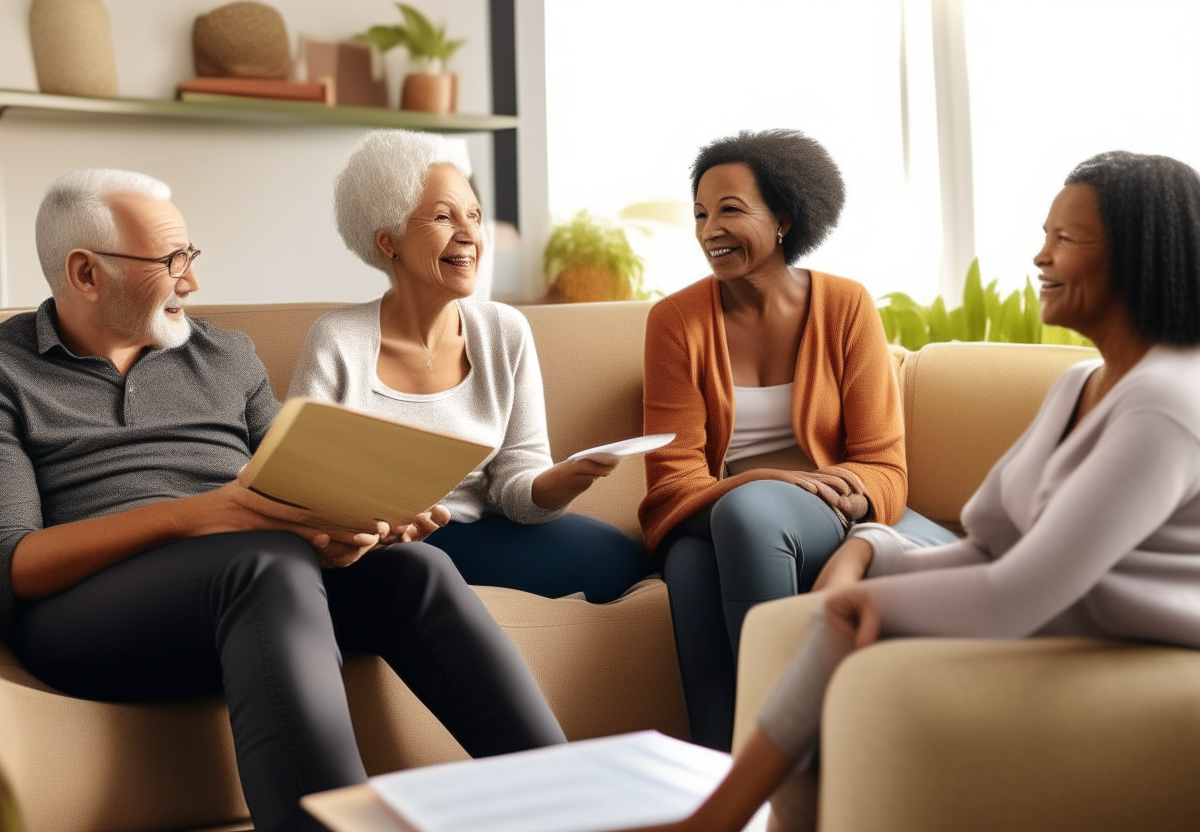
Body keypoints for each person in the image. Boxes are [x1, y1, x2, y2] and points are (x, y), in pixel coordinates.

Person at [632, 149, 1200, 832]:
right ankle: (729, 812)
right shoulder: (1079, 385)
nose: (1039, 258)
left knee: (811, 585)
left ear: (1138, 256)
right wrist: (873, 548)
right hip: (1003, 585)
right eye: (1044, 236)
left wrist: (868, 563)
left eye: (1065, 240)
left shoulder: (1164, 405)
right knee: (700, 562)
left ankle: (720, 816)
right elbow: (992, 537)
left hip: (1123, 638)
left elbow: (1015, 582)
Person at [0, 169, 567, 832]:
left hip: (250, 585)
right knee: (263, 565)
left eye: (190, 256)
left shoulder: (226, 354)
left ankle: (575, 808)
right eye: (170, 261)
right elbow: (7, 567)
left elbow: (295, 478)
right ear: (86, 273)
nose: (191, 281)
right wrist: (198, 516)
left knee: (416, 571)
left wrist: (359, 520)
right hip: (85, 615)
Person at [640, 129, 955, 749]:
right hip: (725, 511)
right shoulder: (675, 322)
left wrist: (845, 500)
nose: (709, 230)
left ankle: (757, 766)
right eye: (701, 214)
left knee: (716, 542)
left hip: (833, 512)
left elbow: (885, 468)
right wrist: (773, 479)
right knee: (720, 532)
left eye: (731, 210)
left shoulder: (845, 305)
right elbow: (671, 485)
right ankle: (761, 765)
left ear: (783, 217)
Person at [288, 129, 651, 604]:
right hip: (375, 549)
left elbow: (516, 482)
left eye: (474, 216)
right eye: (444, 217)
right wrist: (360, 525)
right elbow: (300, 485)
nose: (469, 235)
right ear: (388, 240)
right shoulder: (338, 339)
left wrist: (564, 479)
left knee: (623, 560)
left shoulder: (505, 331)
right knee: (415, 568)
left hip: (475, 531)